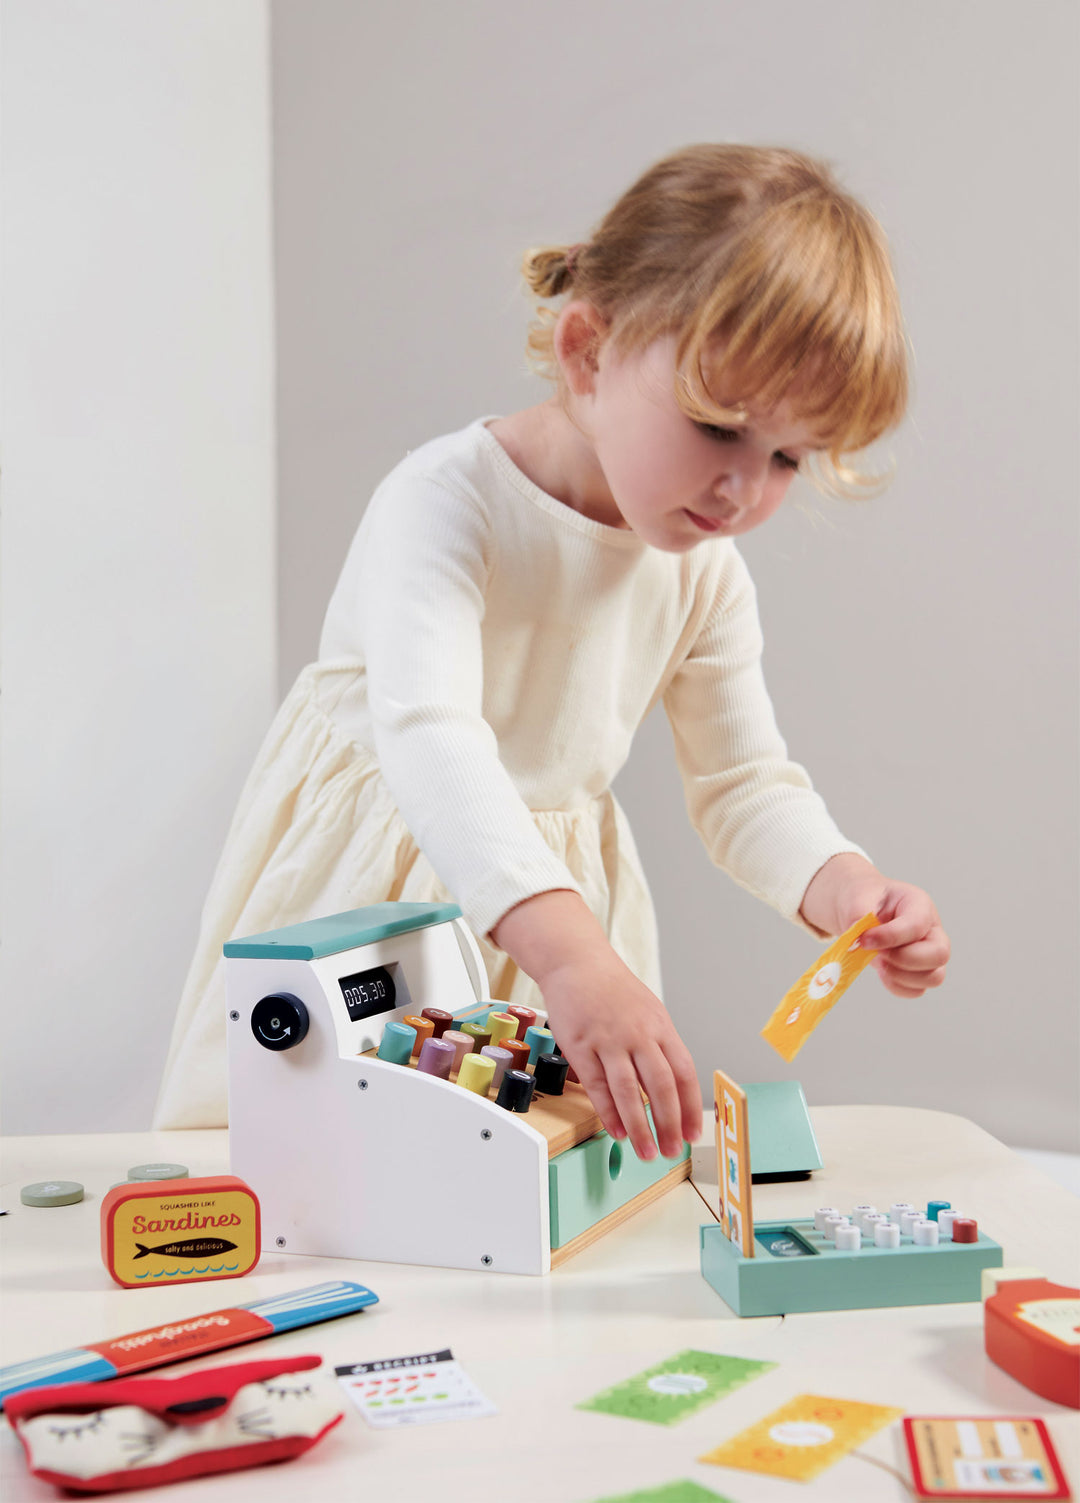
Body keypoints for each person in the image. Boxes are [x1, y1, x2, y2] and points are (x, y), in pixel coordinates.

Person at [154, 143, 950, 1154]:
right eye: (717, 428)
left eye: (787, 457)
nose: (744, 490)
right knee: (305, 1169)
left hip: (546, 921)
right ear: (587, 352)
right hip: (372, 906)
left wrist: (844, 888)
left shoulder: (701, 570)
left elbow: (745, 782)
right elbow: (433, 740)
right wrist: (576, 960)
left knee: (518, 1180)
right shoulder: (445, 505)